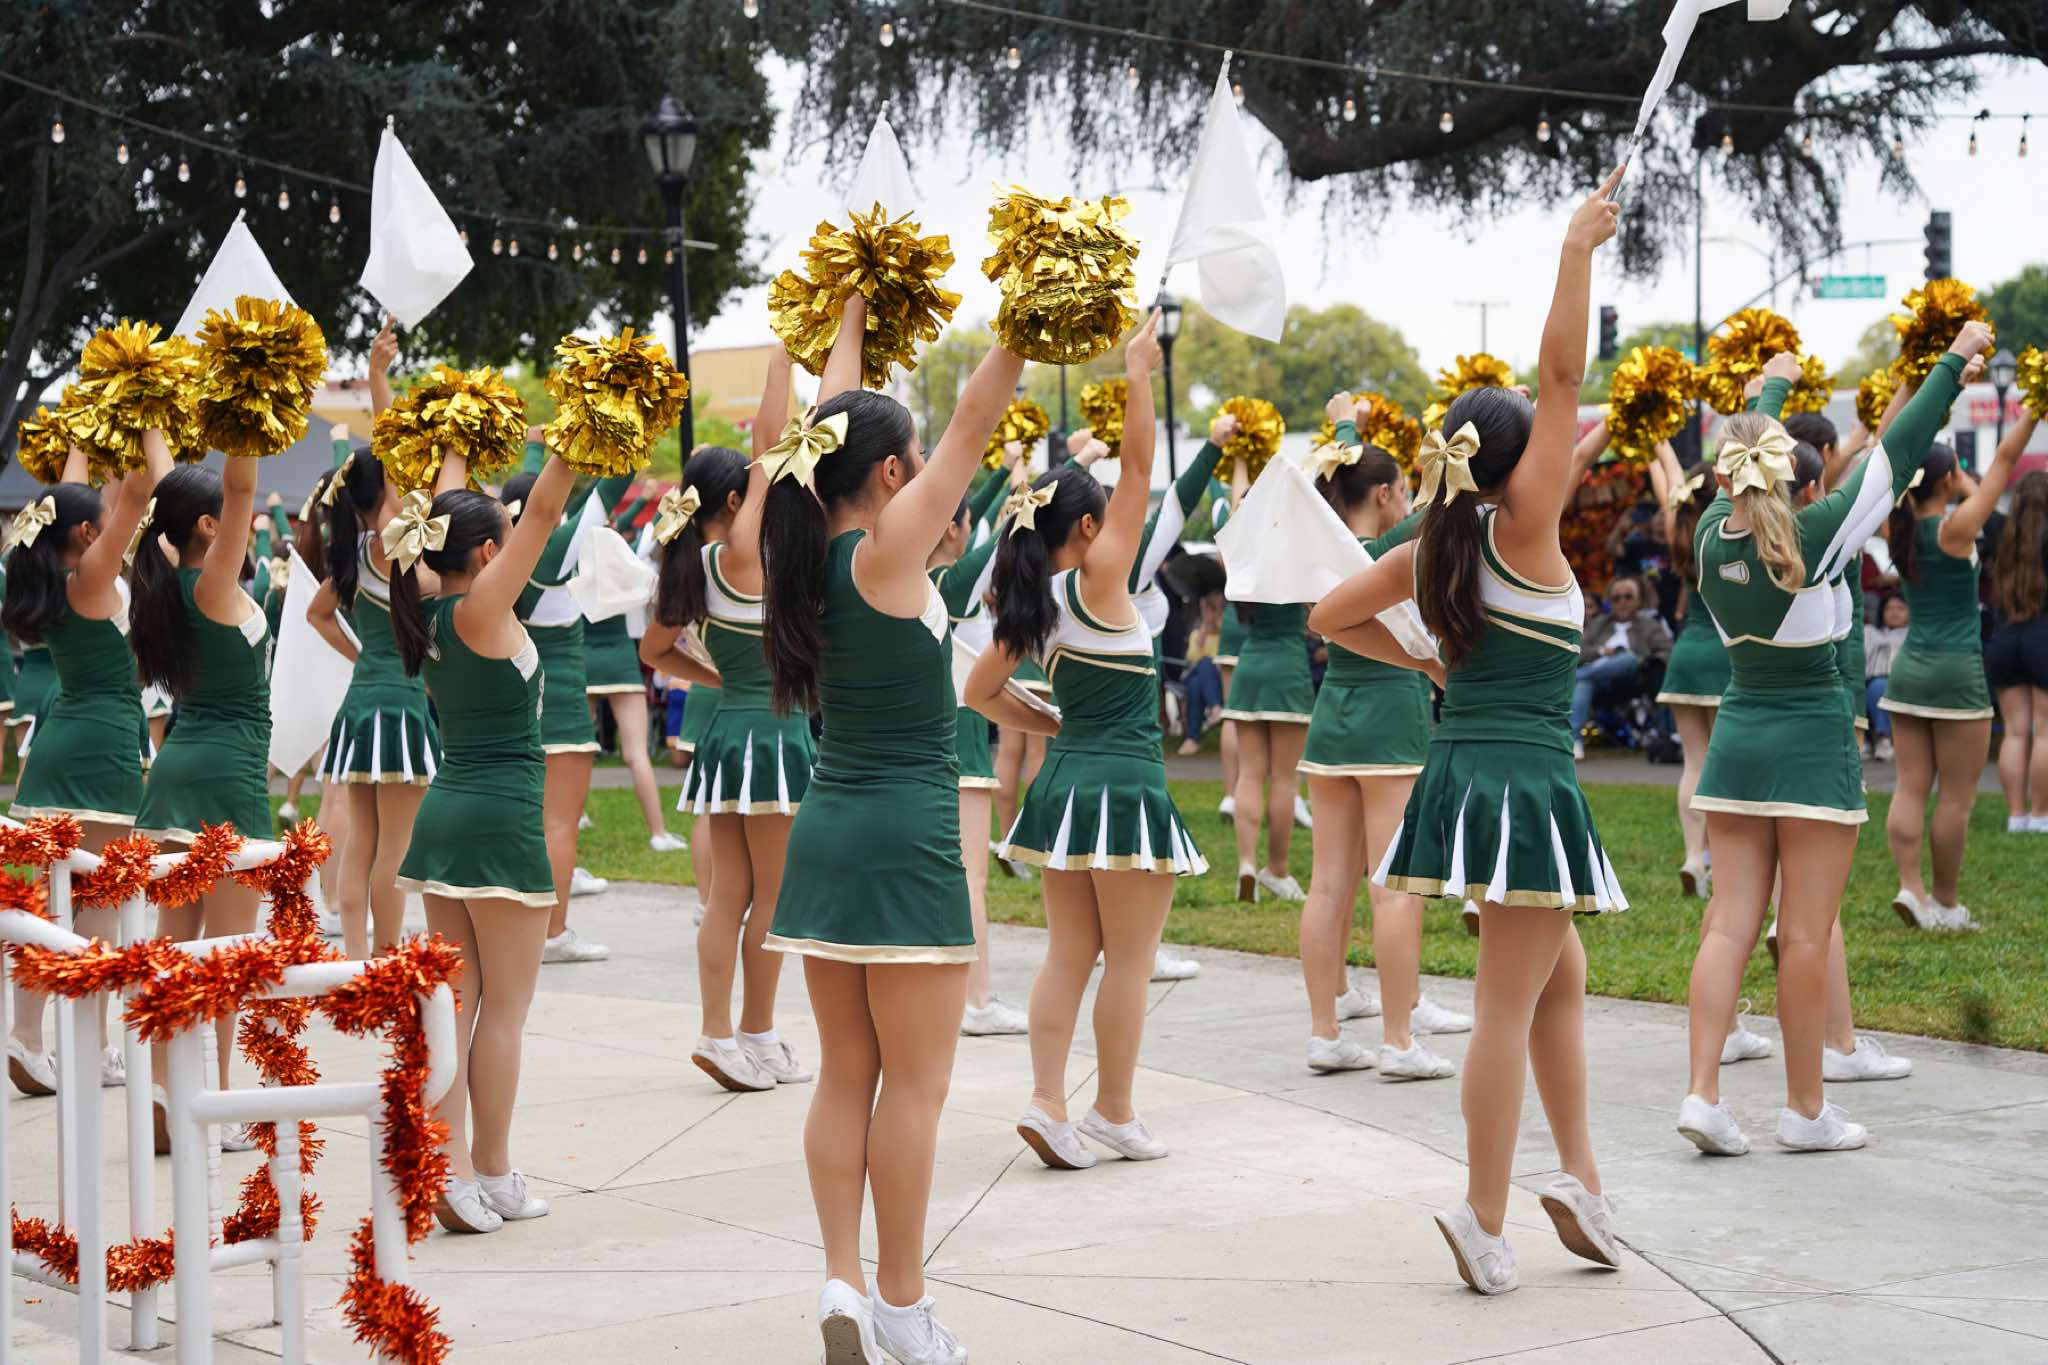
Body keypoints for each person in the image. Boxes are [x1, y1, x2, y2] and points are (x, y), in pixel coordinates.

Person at [1311, 168, 1629, 1295]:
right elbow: (1561, 374)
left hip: (1464, 774)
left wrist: (1426, 658)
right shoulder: (1522, 532)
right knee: (1506, 1006)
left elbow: (1325, 615)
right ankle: (1482, 1213)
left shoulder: (1435, 548)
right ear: (1513, 466)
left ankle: (1580, 1181)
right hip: (1524, 786)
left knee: (1558, 981)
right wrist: (1574, 249)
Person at [758, 293, 1027, 1363]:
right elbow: (970, 425)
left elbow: (832, 419)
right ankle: (905, 1308)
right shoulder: (883, 555)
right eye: (908, 464)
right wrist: (1027, 318)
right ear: (884, 474)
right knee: (914, 1085)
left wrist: (854, 314)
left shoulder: (804, 560)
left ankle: (842, 1279)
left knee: (844, 1075)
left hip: (827, 831)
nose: (925, 473)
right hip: (908, 837)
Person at [1678, 323, 1988, 1160]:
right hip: (1812, 744)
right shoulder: (1814, 536)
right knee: (1806, 933)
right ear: (1792, 471)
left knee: (1727, 926)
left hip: (1738, 744)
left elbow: (1744, 455)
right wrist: (1952, 360)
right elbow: (1901, 447)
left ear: (1725, 475)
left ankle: (1702, 1094)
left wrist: (1769, 390)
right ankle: (1804, 1109)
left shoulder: (1710, 534)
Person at [970, 314, 1203, 1173]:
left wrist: (1052, 725)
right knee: (1130, 962)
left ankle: (1047, 1100)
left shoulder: (1036, 603)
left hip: (1065, 787)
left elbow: (979, 692)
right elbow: (1140, 468)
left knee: (1070, 953)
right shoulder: (1103, 580)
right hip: (1124, 786)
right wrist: (1138, 372)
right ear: (1089, 530)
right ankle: (1113, 1110)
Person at [390, 441, 575, 1235]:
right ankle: (489, 1170)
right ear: (490, 553)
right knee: (502, 1009)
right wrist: (579, 438)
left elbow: (452, 518)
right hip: (501, 819)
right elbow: (545, 510)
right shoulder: (481, 609)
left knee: (454, 1006)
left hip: (447, 814)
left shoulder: (425, 603)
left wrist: (455, 446)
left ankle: (451, 1166)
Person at [649, 352, 817, 1091]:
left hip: (727, 736)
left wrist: (720, 674)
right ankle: (750, 1030)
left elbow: (655, 650)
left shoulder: (700, 565)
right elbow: (769, 447)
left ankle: (726, 1032)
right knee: (771, 899)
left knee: (727, 896)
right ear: (732, 500)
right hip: (771, 738)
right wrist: (782, 360)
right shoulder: (746, 553)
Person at [1297, 409, 1470, 1080]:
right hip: (1391, 722)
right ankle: (1400, 1040)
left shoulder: (1323, 546)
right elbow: (1447, 493)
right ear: (1382, 493)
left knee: (1327, 887)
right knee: (1395, 887)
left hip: (1331, 720)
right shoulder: (1392, 543)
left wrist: (1344, 430)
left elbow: (1342, 482)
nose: (1404, 499)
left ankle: (1325, 1032)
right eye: (1397, 488)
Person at [4, 436, 169, 1095]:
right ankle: (78, 1043)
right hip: (101, 749)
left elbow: (75, 499)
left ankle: (38, 1037)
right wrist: (139, 412)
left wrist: (83, 438)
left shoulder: (56, 576)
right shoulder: (94, 575)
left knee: (53, 904)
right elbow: (137, 491)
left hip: (60, 744)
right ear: (85, 532)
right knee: (101, 905)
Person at [130, 459, 273, 1120]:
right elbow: (241, 485)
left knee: (175, 948)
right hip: (226, 776)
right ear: (210, 526)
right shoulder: (213, 583)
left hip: (178, 770)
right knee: (225, 953)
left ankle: (164, 1093)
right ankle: (214, 1101)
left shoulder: (173, 586)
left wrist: (149, 422)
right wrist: (248, 420)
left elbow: (174, 486)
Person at [1880, 409, 2027, 929]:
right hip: (1957, 675)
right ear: (1948, 479)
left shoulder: (1895, 527)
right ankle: (1944, 902)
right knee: (1956, 799)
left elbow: (1883, 452)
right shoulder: (1956, 529)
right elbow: (2004, 460)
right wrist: (2035, 407)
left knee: (1909, 786)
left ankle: (1910, 887)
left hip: (1908, 672)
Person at [309, 449, 442, 959]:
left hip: (360, 701)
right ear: (384, 487)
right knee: (395, 844)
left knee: (362, 838)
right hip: (399, 706)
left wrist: (361, 653)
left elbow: (317, 613)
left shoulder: (354, 551)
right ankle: (385, 959)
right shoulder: (392, 547)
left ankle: (356, 958)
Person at [500, 441, 629, 962]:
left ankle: (517, 926)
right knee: (558, 825)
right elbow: (608, 492)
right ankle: (553, 934)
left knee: (525, 823)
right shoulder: (553, 552)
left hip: (518, 709)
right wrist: (630, 423)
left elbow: (527, 493)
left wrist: (536, 448)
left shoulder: (506, 556)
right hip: (561, 711)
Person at [930, 440, 1034, 1036]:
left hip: (923, 736)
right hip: (960, 737)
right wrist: (1067, 470)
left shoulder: (912, 575)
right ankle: (978, 1001)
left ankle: (951, 995)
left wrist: (1002, 471)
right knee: (970, 875)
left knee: (937, 871)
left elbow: (983, 518)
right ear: (953, 530)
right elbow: (1001, 537)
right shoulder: (952, 582)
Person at [1221, 451, 1314, 904]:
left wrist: (1241, 471)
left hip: (1249, 665)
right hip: (1288, 669)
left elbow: (1236, 519)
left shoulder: (1244, 555)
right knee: (1284, 780)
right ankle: (1276, 869)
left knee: (1249, 774)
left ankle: (1244, 863)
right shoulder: (1301, 550)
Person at [587, 475, 683, 853]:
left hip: (582, 662)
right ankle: (658, 833)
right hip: (619, 661)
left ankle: (574, 814)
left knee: (576, 752)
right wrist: (656, 499)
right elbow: (645, 535)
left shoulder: (566, 565)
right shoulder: (624, 561)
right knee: (637, 753)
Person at [1651, 442, 1727, 896]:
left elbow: (1673, 493)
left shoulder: (1679, 529)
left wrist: (1659, 447)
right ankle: (1717, 859)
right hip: (1723, 657)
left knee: (1693, 762)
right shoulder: (1727, 533)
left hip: (1686, 655)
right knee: (1722, 764)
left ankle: (1693, 857)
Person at [1986, 470, 2048, 831]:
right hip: (2043, 637)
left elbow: (1976, 496)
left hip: (2005, 638)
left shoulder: (2000, 534)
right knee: (2044, 731)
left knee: (2014, 731)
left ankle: (2016, 815)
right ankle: (2041, 815)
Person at [1568, 574, 1671, 757]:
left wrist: (1642, 660)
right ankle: (1574, 743)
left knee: (1626, 658)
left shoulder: (1649, 625)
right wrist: (1602, 651)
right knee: (1584, 684)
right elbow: (1579, 651)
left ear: (1638, 600)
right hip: (1599, 680)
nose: (1622, 602)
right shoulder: (1599, 623)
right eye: (1616, 598)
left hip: (1633, 677)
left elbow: (1667, 651)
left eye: (1628, 597)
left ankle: (1572, 678)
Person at [1864, 593, 1909, 760]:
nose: (1894, 612)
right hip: (1868, 679)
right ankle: (1863, 740)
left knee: (1880, 687)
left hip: (1904, 682)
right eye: (1889, 608)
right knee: (1856, 689)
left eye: (1900, 608)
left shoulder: (1913, 634)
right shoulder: (1868, 632)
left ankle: (1883, 739)